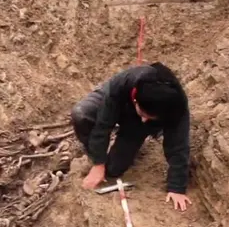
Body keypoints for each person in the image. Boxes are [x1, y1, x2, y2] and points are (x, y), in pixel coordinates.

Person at [70, 62, 192, 212]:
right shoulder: (122, 84)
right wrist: (98, 163)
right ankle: (96, 155)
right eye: (143, 114)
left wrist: (177, 187)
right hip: (116, 99)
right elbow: (103, 125)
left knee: (114, 170)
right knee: (81, 114)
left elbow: (178, 143)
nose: (144, 120)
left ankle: (134, 140)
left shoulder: (176, 106)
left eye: (150, 118)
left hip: (135, 123)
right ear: (135, 99)